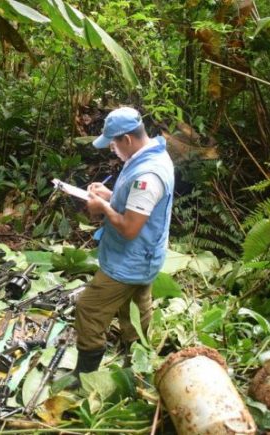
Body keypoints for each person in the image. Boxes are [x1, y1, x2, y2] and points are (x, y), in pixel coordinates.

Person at [72, 107, 174, 384]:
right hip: (146, 254)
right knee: (135, 309)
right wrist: (110, 195)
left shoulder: (147, 176)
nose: (113, 149)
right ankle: (137, 369)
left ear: (127, 140)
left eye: (114, 143)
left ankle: (85, 376)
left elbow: (130, 228)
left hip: (130, 260)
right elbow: (138, 206)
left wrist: (103, 207)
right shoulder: (151, 154)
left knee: (89, 309)